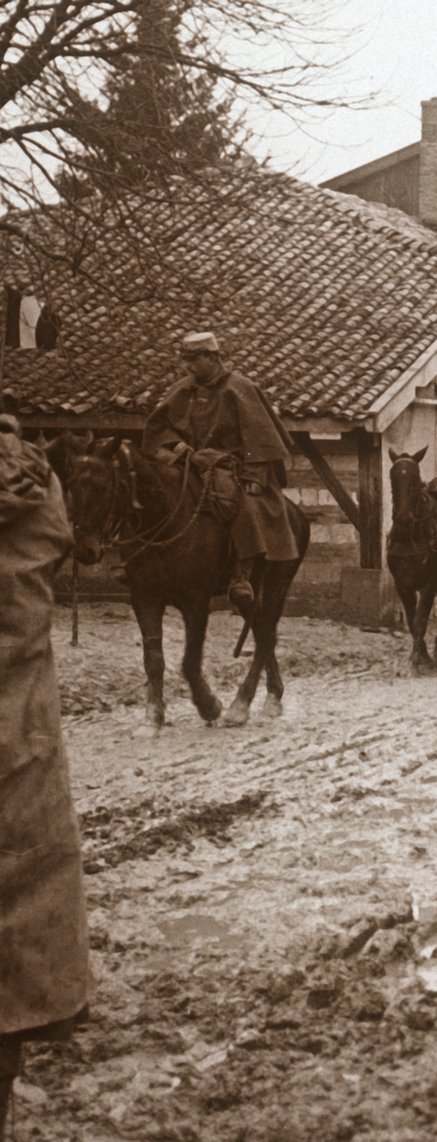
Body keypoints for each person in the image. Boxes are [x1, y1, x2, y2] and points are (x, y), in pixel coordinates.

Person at [0, 416, 91, 1133]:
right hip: (16, 747)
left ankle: (243, 571)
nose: (197, 365)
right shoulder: (30, 478)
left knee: (238, 499)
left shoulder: (233, 391)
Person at [142, 331, 299, 609]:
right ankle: (138, 560)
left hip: (232, 468)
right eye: (184, 361)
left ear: (212, 357)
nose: (187, 367)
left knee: (239, 503)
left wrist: (255, 474)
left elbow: (260, 437)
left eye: (193, 360)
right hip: (189, 464)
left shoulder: (239, 388)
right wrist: (175, 446)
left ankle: (242, 574)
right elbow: (159, 427)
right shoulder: (182, 389)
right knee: (152, 491)